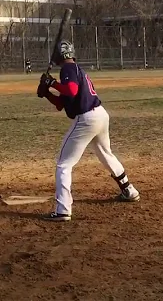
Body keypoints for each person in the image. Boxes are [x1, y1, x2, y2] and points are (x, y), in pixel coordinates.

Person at [37, 41, 140, 222]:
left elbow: (71, 90)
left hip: (86, 119)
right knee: (106, 154)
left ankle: (63, 210)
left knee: (64, 164)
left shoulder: (68, 68)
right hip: (100, 115)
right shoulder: (74, 70)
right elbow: (62, 104)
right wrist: (47, 93)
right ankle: (128, 190)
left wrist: (52, 82)